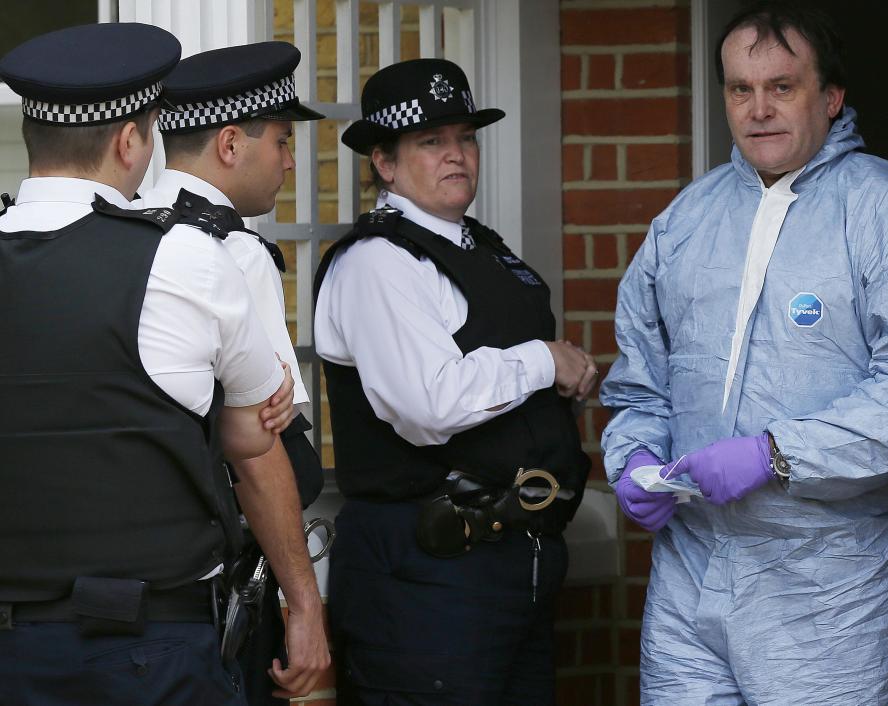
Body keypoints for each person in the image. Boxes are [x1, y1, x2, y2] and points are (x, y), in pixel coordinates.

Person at [600, 3, 888, 704]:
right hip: (692, 575)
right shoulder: (684, 223)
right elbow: (639, 385)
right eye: (740, 89)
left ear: (830, 97)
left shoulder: (885, 210)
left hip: (833, 587)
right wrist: (634, 458)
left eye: (782, 87)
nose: (759, 109)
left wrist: (773, 454)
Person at [0, 23, 317, 706]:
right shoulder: (185, 257)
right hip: (153, 648)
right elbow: (256, 449)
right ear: (128, 141)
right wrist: (305, 606)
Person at [313, 58, 595, 705]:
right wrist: (545, 362)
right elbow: (428, 403)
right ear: (384, 162)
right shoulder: (378, 261)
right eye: (431, 141)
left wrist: (559, 382)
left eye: (465, 137)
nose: (456, 155)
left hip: (512, 562)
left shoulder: (484, 247)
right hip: (427, 573)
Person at [135, 42, 329, 705]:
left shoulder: (127, 228)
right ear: (228, 144)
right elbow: (267, 438)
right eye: (280, 139)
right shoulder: (231, 249)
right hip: (225, 576)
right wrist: (304, 606)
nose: (288, 159)